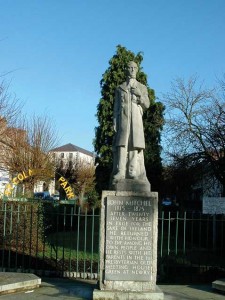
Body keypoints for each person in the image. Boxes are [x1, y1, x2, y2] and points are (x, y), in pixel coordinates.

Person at [112, 61, 150, 182]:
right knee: (122, 145)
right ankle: (120, 171)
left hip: (136, 121)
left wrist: (139, 95)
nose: (132, 70)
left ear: (137, 70)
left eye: (134, 68)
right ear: (126, 69)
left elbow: (147, 104)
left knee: (134, 144)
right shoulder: (120, 88)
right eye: (130, 67)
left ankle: (132, 171)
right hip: (123, 120)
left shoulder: (142, 87)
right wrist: (114, 121)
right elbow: (116, 106)